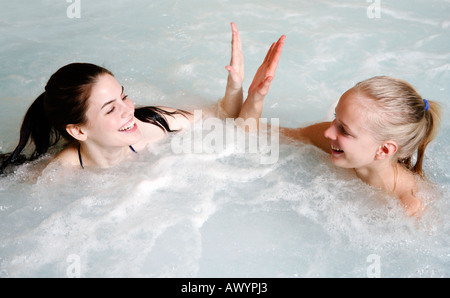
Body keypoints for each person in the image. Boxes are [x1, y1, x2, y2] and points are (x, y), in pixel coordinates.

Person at [0, 23, 285, 173]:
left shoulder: (154, 125)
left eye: (124, 97)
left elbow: (226, 125)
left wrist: (240, 89)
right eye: (111, 109)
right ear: (78, 130)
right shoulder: (60, 176)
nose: (128, 110)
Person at [242, 75, 441, 217]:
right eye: (336, 118)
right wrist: (253, 98)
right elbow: (253, 132)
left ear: (384, 150)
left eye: (344, 131)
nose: (328, 132)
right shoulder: (332, 143)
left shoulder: (410, 208)